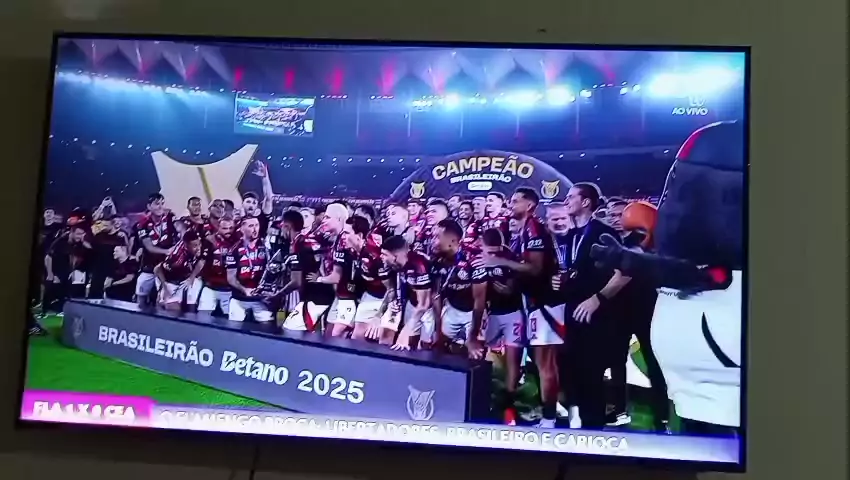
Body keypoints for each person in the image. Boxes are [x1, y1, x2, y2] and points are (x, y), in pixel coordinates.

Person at [473, 187, 560, 428]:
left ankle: (550, 417)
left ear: (530, 205)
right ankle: (546, 410)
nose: (510, 205)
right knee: (540, 361)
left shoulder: (534, 228)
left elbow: (535, 269)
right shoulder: (525, 230)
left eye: (515, 201)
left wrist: (498, 261)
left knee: (545, 363)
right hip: (533, 303)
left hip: (545, 304)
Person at [557, 183, 631, 429]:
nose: (566, 201)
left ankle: (595, 432)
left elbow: (625, 273)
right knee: (572, 376)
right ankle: (576, 427)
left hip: (597, 316)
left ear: (586, 202)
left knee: (591, 377)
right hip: (571, 314)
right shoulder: (569, 235)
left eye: (571, 197)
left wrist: (597, 299)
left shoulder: (603, 233)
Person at [475, 228, 525, 424]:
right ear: (482, 246)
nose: (493, 256)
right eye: (490, 252)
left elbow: (510, 289)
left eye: (497, 252)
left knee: (513, 360)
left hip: (513, 314)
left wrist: (502, 287)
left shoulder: (510, 258)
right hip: (491, 314)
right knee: (483, 355)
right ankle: (483, 396)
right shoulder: (476, 259)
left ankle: (508, 406)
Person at [282, 204, 344, 332]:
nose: (324, 221)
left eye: (327, 217)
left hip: (315, 298)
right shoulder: (313, 239)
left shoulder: (298, 245)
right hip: (324, 295)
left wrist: (277, 295)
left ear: (287, 226)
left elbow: (296, 282)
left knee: (290, 330)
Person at [430, 219, 478, 355]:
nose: (432, 241)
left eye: (437, 237)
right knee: (438, 348)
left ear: (453, 241)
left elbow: (482, 297)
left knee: (475, 354)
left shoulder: (473, 258)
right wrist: (438, 329)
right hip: (452, 309)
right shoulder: (436, 261)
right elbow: (436, 296)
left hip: (475, 312)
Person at [309, 203, 356, 337]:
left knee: (335, 337)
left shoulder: (343, 241)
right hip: (340, 296)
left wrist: (318, 279)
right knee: (328, 335)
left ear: (339, 219)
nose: (323, 221)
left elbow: (336, 277)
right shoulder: (336, 239)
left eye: (328, 217)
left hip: (349, 297)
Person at [348, 216, 395, 344]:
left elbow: (391, 289)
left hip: (384, 299)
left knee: (379, 340)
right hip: (368, 295)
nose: (343, 237)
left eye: (347, 233)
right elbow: (355, 280)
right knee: (356, 338)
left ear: (359, 236)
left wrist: (379, 316)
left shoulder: (375, 256)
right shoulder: (353, 251)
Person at [381, 235, 432, 351]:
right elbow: (393, 288)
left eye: (385, 254)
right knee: (406, 344)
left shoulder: (419, 265)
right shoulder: (395, 264)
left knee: (422, 347)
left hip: (429, 308)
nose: (381, 257)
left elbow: (424, 304)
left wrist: (406, 330)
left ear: (395, 256)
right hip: (412, 302)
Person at [226, 216, 272, 322]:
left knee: (267, 327)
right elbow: (230, 278)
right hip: (239, 299)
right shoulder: (234, 250)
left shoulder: (266, 247)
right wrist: (244, 290)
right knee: (233, 328)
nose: (255, 229)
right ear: (242, 229)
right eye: (251, 226)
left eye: (257, 225)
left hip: (261, 299)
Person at [135, 193, 178, 307]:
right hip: (149, 265)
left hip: (166, 266)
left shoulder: (170, 217)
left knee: (164, 298)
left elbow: (180, 229)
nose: (160, 207)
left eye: (162, 203)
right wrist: (167, 251)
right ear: (149, 206)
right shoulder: (142, 224)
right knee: (141, 293)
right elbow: (149, 247)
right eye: (157, 204)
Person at [44, 224, 92, 313]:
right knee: (51, 291)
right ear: (71, 233)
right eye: (78, 234)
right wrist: (50, 274)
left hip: (68, 272)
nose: (80, 236)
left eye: (82, 234)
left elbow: (89, 251)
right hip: (56, 271)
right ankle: (45, 311)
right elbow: (48, 257)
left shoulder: (79, 244)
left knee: (65, 295)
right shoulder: (60, 242)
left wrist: (83, 242)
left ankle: (61, 310)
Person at [153, 231, 205, 311]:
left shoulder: (197, 247)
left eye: (199, 244)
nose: (198, 248)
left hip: (184, 277)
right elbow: (157, 269)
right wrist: (165, 287)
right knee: (173, 310)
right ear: (187, 246)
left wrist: (191, 277)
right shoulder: (176, 259)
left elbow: (201, 262)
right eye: (195, 246)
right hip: (169, 281)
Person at [198, 216, 239, 316]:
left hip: (228, 289)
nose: (228, 231)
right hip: (210, 287)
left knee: (228, 318)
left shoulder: (238, 242)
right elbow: (202, 261)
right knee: (203, 316)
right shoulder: (210, 241)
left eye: (231, 228)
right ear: (218, 227)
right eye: (225, 228)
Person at [89, 215, 129, 299]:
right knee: (95, 290)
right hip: (98, 267)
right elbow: (92, 248)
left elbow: (125, 252)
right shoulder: (99, 235)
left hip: (112, 268)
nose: (104, 227)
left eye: (106, 225)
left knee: (108, 290)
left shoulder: (120, 236)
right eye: (103, 225)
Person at [240, 160, 275, 239]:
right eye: (248, 202)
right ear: (242, 204)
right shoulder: (238, 219)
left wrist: (264, 177)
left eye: (254, 203)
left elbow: (268, 197)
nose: (251, 205)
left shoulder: (262, 216)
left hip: (260, 246)